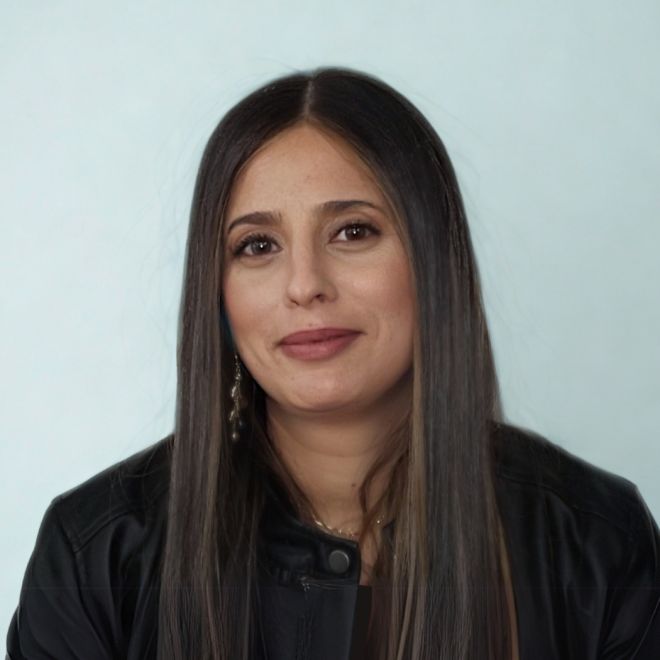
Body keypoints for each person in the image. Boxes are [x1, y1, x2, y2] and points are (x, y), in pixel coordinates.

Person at [6, 66, 660, 660]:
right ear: (219, 293)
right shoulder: (95, 554)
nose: (304, 285)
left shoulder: (596, 542)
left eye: (353, 231)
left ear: (433, 259)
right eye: (257, 245)